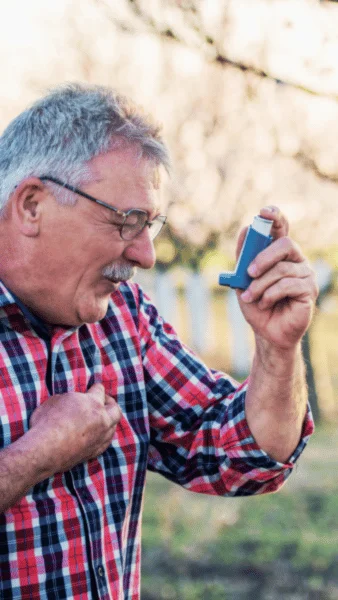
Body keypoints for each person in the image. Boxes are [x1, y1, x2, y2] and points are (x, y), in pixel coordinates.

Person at [0, 83, 317, 600]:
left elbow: (241, 455)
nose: (146, 255)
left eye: (150, 224)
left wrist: (277, 349)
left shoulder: (122, 315)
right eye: (127, 221)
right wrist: (36, 454)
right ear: (32, 205)